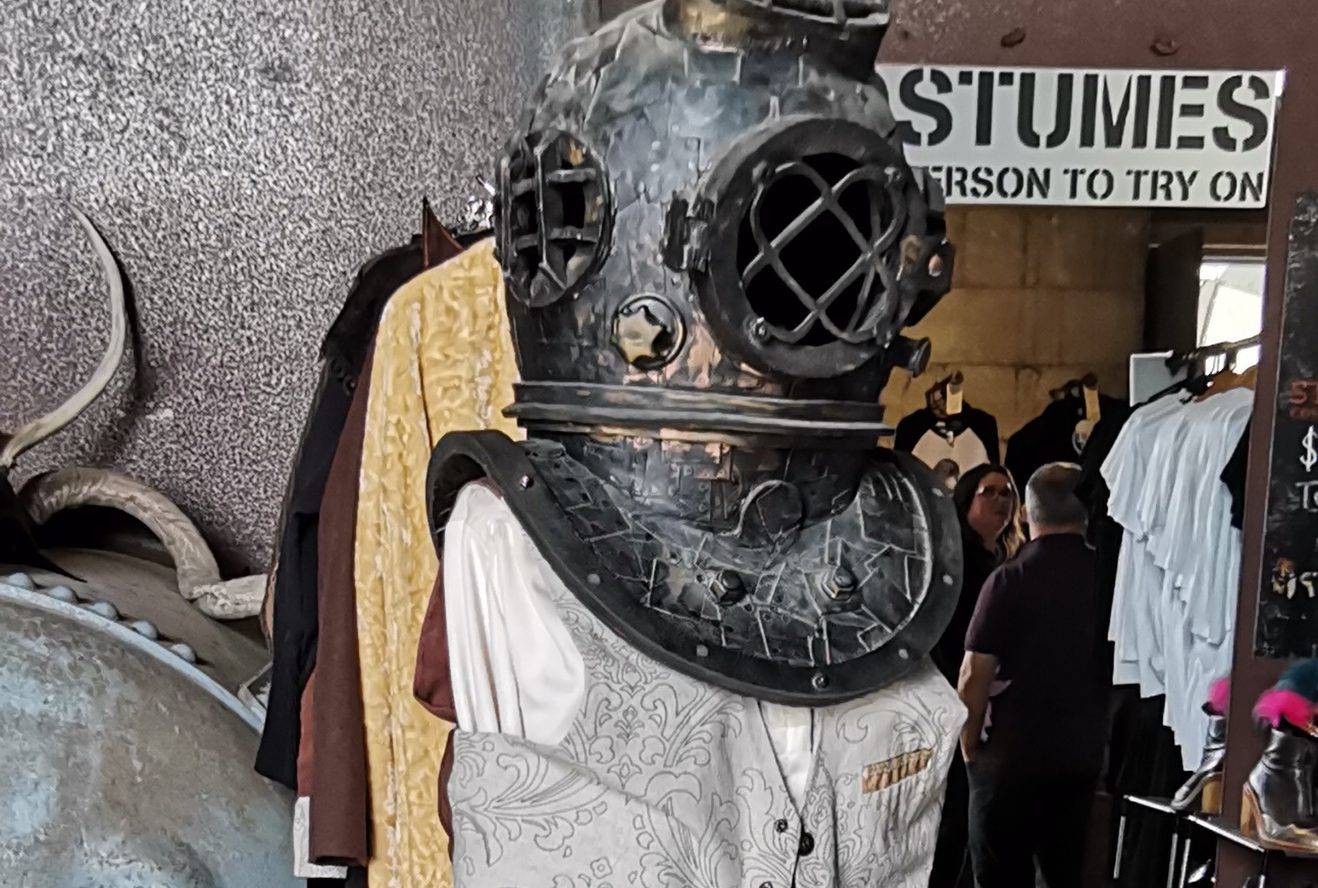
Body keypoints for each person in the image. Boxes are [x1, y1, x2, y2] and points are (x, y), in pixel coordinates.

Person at [958, 463, 1109, 888]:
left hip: (1010, 757)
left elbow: (974, 675)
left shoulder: (1010, 578)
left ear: (1025, 512)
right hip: (1082, 756)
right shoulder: (1109, 578)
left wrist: (969, 747)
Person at [930, 463, 1023, 888]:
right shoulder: (957, 560)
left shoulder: (1007, 560)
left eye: (1008, 493)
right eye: (990, 492)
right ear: (967, 500)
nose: (1001, 500)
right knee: (954, 807)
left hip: (991, 698)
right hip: (954, 692)